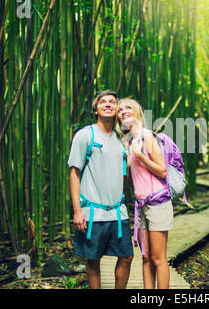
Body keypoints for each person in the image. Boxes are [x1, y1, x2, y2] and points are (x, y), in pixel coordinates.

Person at [68, 90, 133, 289]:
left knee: (127, 256)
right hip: (92, 212)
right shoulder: (85, 135)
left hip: (118, 211)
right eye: (102, 102)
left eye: (112, 102)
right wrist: (78, 211)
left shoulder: (122, 138)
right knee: (93, 259)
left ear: (117, 109)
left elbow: (126, 175)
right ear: (95, 109)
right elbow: (74, 173)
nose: (107, 104)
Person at [117, 98, 174, 289]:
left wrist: (140, 155)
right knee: (146, 257)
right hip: (141, 206)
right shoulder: (129, 141)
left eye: (128, 107)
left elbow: (162, 170)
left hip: (157, 203)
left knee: (158, 258)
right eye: (120, 109)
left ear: (138, 112)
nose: (123, 111)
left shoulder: (147, 137)